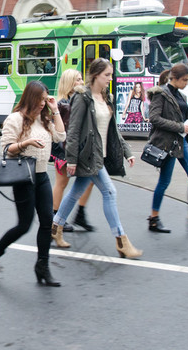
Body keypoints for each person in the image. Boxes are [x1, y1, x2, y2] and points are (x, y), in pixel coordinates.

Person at [51, 58, 142, 259]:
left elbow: (113, 129)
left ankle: (55, 227)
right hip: (88, 156)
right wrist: (72, 160)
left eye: (111, 75)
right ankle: (121, 241)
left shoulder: (106, 96)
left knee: (76, 192)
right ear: (95, 76)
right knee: (110, 191)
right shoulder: (82, 97)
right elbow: (73, 131)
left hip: (100, 154)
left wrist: (127, 152)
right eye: (107, 75)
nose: (110, 78)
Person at [0, 80, 65, 286]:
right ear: (30, 98)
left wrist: (55, 111)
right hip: (23, 178)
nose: (43, 104)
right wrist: (26, 143)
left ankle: (42, 266)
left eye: (46, 100)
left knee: (47, 222)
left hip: (42, 176)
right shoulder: (15, 119)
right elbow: (7, 148)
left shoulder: (44, 118)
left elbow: (61, 136)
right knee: (24, 225)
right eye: (40, 100)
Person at [146, 63, 188, 235]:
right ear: (173, 78)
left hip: (182, 142)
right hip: (168, 144)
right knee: (164, 182)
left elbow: (182, 117)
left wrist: (186, 126)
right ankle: (154, 218)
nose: (186, 83)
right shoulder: (160, 94)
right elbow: (154, 118)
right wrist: (180, 126)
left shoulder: (180, 94)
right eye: (184, 80)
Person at [50, 69, 94, 237]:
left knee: (89, 181)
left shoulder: (77, 101)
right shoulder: (63, 103)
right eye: (77, 80)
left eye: (81, 79)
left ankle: (80, 214)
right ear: (69, 83)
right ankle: (55, 216)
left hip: (78, 150)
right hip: (64, 151)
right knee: (62, 183)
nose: (81, 82)